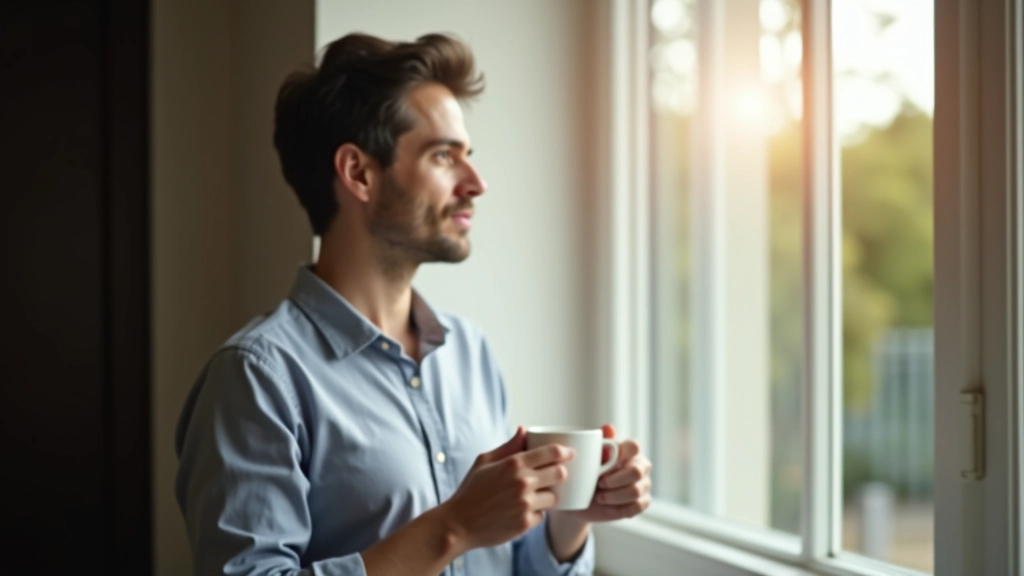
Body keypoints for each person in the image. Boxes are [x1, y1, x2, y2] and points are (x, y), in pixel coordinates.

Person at [174, 32, 652, 576]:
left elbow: (506, 563)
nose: (476, 183)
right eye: (444, 156)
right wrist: (453, 529)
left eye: (468, 156)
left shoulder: (470, 352)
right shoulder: (257, 379)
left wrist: (569, 522)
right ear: (359, 173)